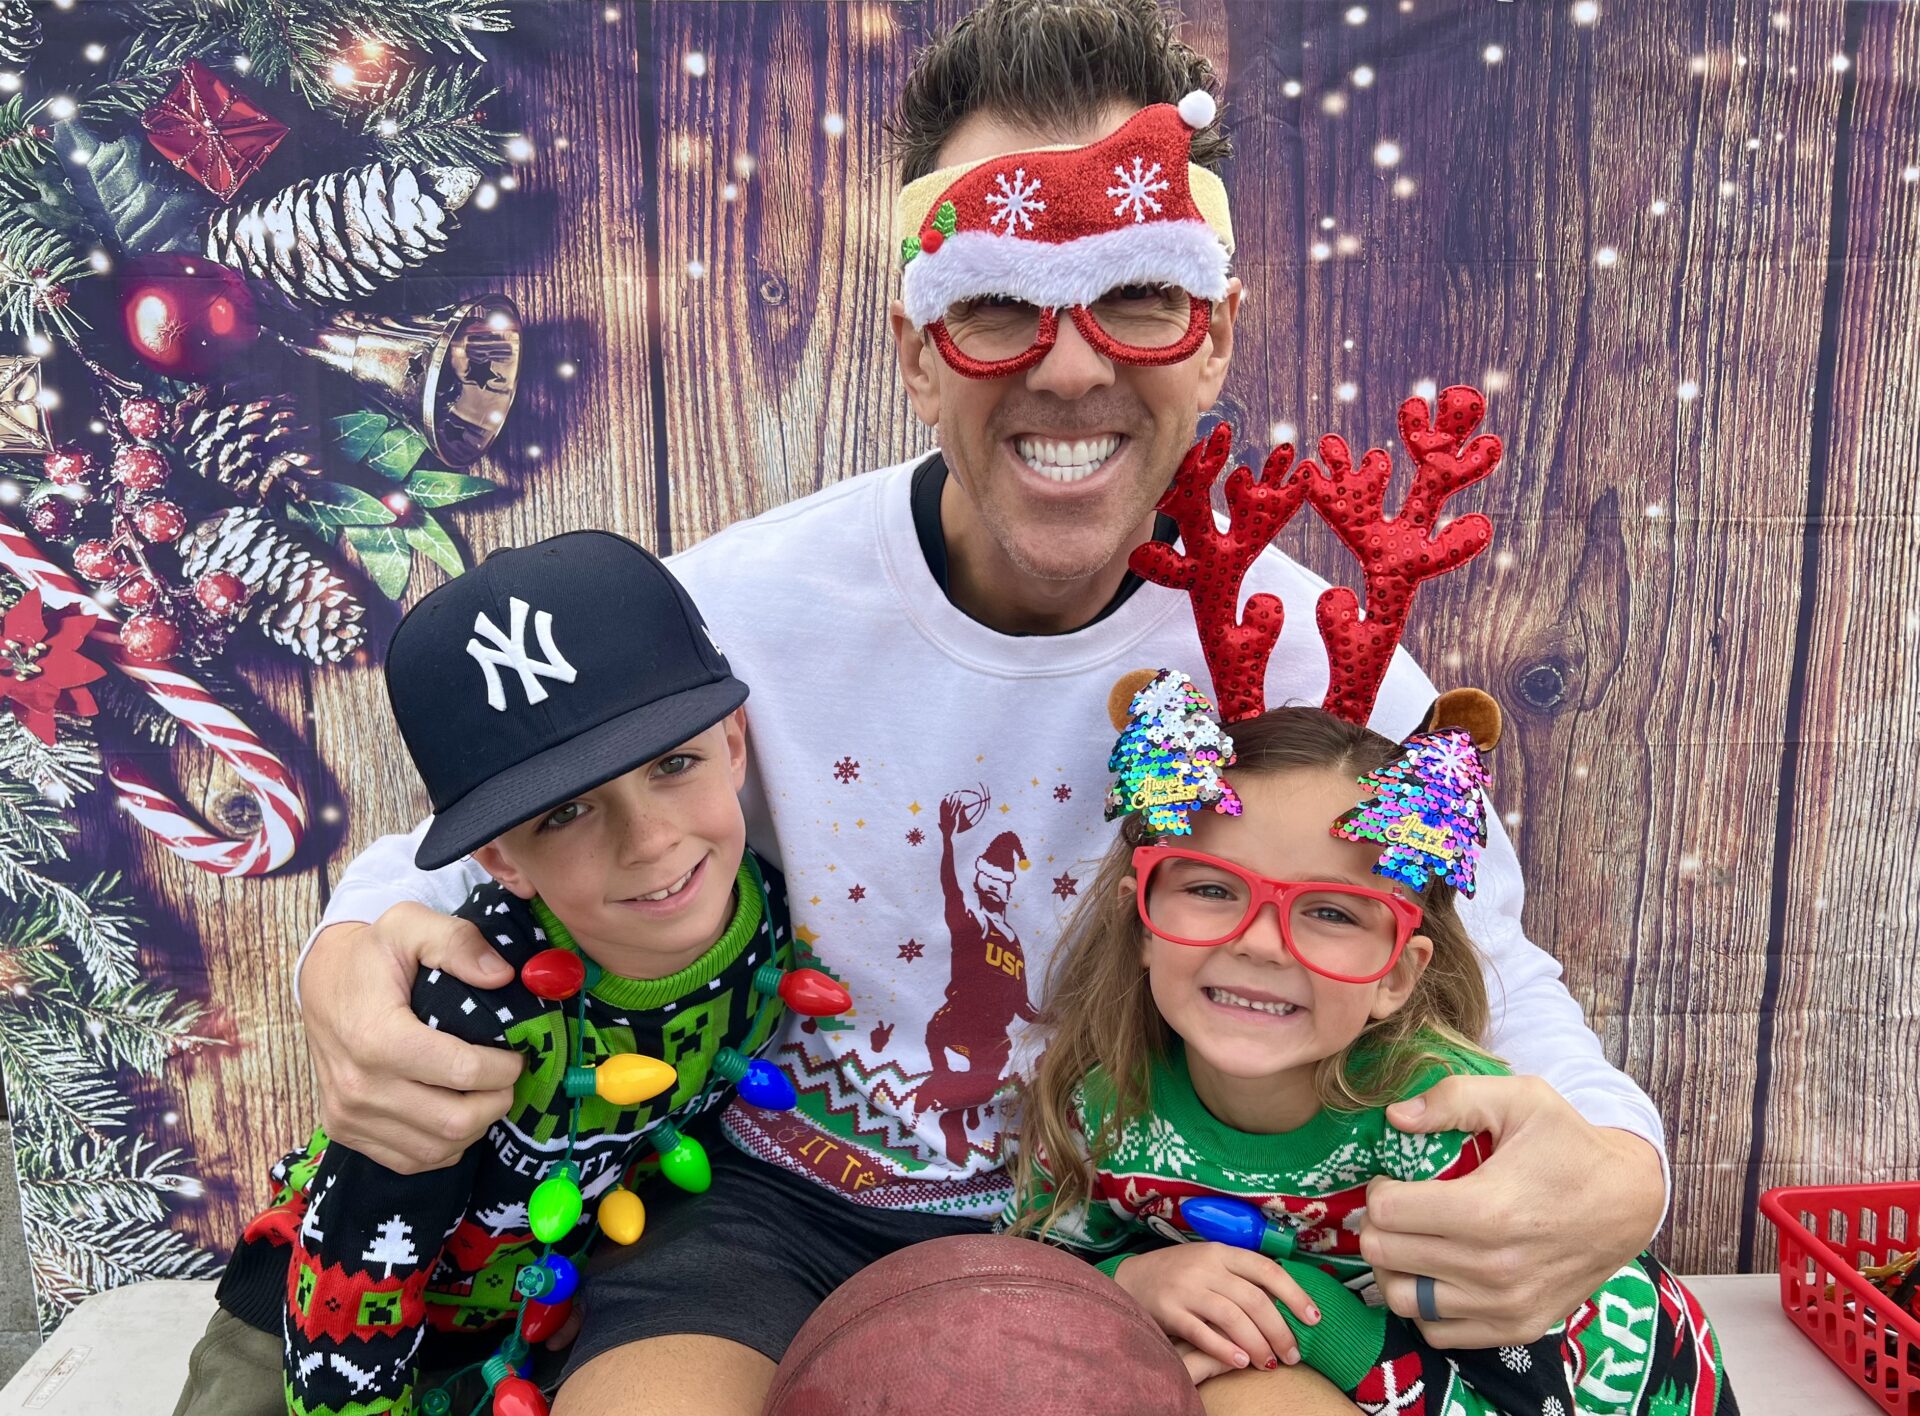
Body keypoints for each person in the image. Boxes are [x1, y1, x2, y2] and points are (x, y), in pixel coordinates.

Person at [291, 4, 1671, 1412]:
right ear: (917, 348)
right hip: (768, 1212)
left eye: (1139, 294)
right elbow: (484, 837)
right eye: (1000, 304)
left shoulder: (1315, 662)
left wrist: (1621, 1170)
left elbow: (1485, 964)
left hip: (1154, 1224)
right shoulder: (741, 611)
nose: (1070, 368)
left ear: (1213, 338)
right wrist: (346, 959)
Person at [1002, 437, 1733, 1410]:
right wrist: (1133, 1283)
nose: (1258, 941)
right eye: (1211, 890)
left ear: (1398, 971)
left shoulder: (1449, 1132)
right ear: (1142, 919)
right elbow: (1037, 1272)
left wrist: (1313, 1320)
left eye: (1332, 912)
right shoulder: (1100, 1108)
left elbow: (1531, 1389)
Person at [174, 532, 832, 1416]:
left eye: (674, 764)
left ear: (736, 745)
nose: (650, 842)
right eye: (568, 812)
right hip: (324, 1319)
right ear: (499, 858)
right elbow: (360, 1250)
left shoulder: (772, 923)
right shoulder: (477, 1004)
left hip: (521, 1336)